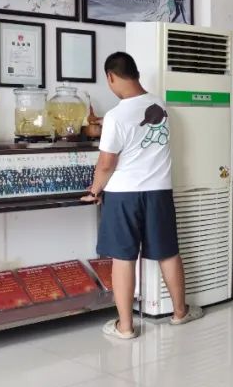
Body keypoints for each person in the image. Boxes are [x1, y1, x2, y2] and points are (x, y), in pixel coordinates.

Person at [82, 52, 203, 339]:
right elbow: (141, 130)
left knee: (123, 258)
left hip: (123, 195)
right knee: (168, 253)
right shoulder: (159, 104)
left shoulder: (116, 116)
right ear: (135, 73)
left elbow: (106, 164)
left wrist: (94, 190)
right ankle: (180, 313)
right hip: (158, 191)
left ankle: (125, 327)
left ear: (111, 77)